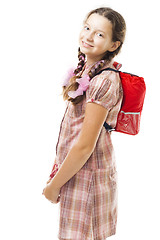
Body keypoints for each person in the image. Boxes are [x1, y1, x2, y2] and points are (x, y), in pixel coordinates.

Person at [42, 7, 126, 240]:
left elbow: (85, 145)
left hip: (86, 179)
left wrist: (54, 186)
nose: (88, 36)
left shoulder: (104, 81)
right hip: (77, 173)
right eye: (87, 27)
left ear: (113, 45)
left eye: (99, 34)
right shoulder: (88, 73)